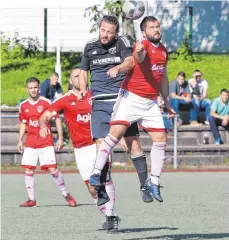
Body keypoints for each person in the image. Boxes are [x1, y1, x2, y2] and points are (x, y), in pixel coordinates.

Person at [88, 16, 176, 204]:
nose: (156, 29)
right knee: (114, 135)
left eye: (157, 26)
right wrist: (139, 52)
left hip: (150, 102)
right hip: (131, 98)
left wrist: (167, 101)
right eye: (152, 27)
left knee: (161, 139)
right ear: (144, 32)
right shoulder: (141, 45)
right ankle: (95, 174)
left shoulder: (163, 51)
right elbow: (137, 57)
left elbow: (164, 78)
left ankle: (154, 182)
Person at [79, 15, 152, 208]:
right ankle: (101, 190)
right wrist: (81, 89)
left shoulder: (121, 42)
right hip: (100, 104)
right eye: (103, 30)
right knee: (101, 147)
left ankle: (145, 185)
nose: (105, 35)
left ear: (116, 32)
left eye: (109, 32)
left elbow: (131, 62)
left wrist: (118, 68)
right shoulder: (89, 47)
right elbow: (82, 72)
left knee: (133, 144)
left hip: (122, 102)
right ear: (99, 28)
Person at [39, 68, 119, 232]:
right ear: (70, 80)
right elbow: (45, 115)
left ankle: (111, 216)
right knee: (92, 188)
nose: (80, 78)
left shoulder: (94, 95)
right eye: (76, 76)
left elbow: (115, 112)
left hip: (98, 143)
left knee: (104, 178)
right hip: (80, 149)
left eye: (82, 75)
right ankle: (108, 216)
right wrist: (42, 125)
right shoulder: (64, 99)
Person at [18, 77, 76, 207]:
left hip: (45, 142)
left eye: (35, 87)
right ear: (27, 89)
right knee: (28, 170)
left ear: (39, 88)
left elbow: (57, 119)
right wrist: (20, 140)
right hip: (31, 142)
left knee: (53, 169)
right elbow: (23, 123)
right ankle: (31, 199)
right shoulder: (24, 105)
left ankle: (66, 194)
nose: (33, 90)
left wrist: (60, 138)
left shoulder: (46, 103)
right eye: (30, 88)